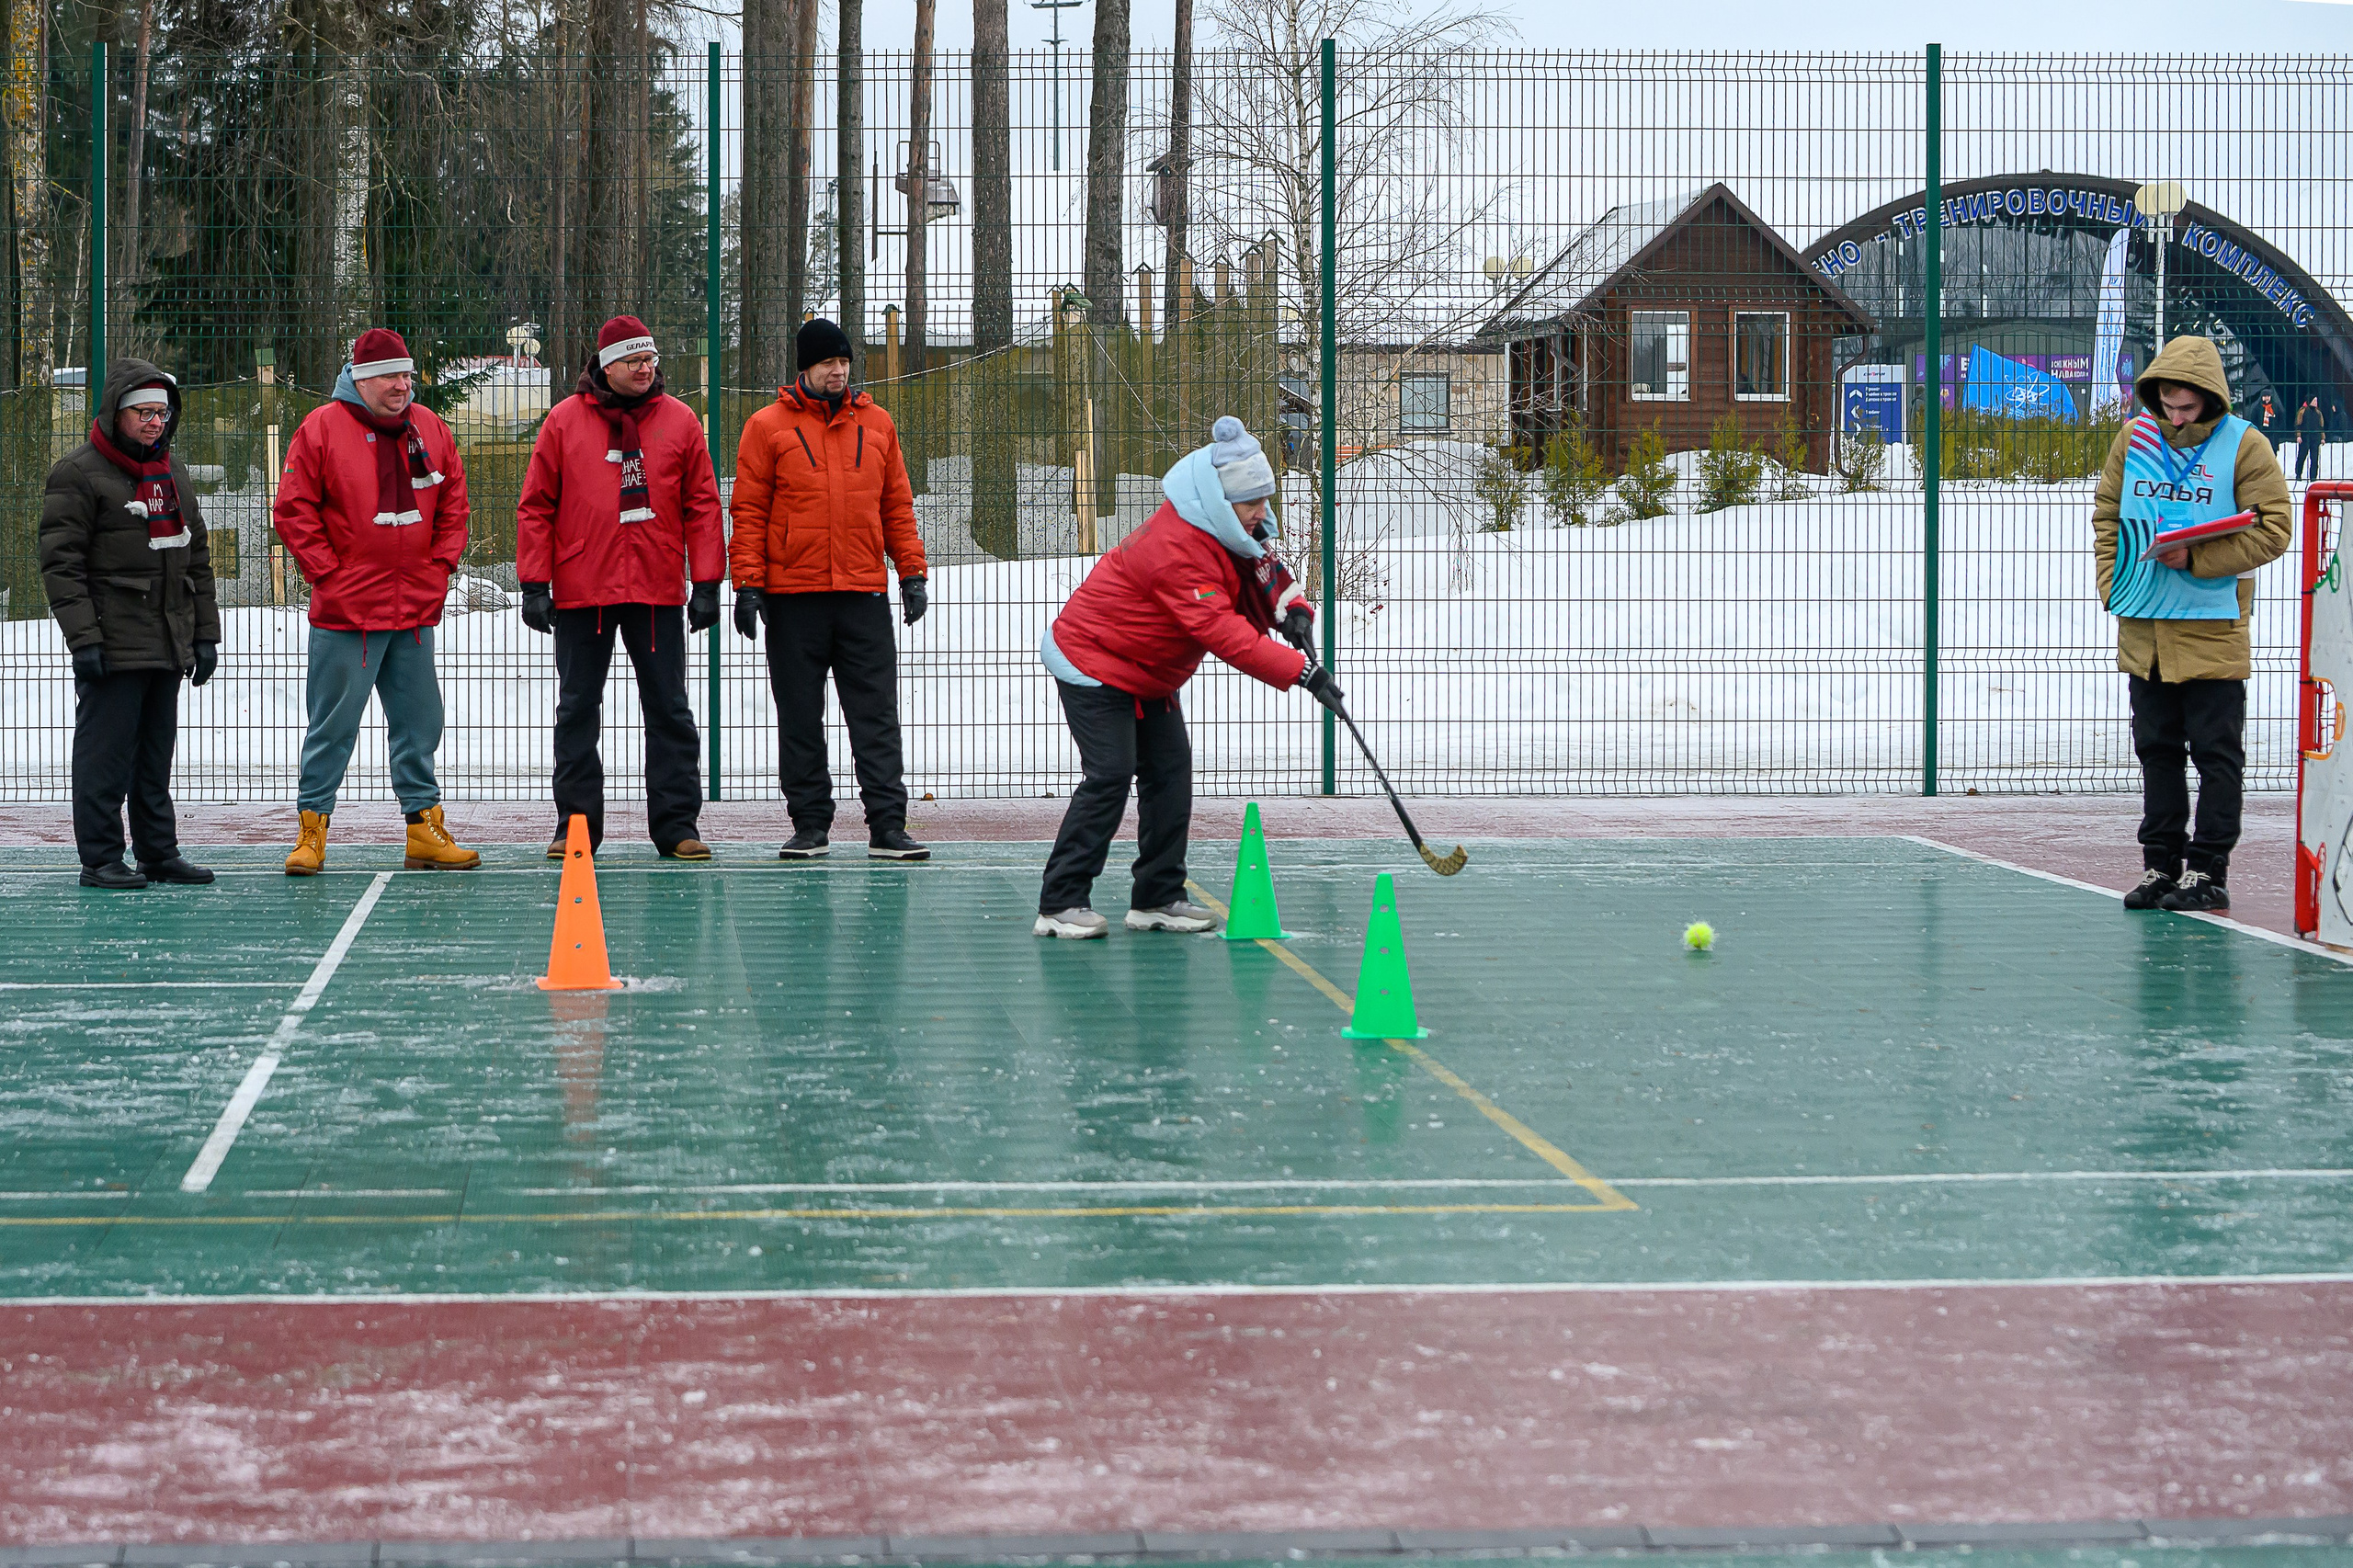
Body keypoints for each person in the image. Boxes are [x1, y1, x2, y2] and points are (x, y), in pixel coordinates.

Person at [1033, 415, 1337, 938]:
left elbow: (1266, 574)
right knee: (1110, 774)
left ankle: (1157, 897)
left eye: (1266, 500)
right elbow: (1222, 630)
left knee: (1170, 771)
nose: (1262, 514)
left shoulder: (1235, 530)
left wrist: (1295, 612)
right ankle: (1059, 903)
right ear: (1222, 502)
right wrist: (1301, 672)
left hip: (1148, 671)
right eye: (1251, 504)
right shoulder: (1178, 547)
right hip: (1093, 659)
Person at [2092, 335, 2291, 915]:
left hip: (2211, 630)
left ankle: (2208, 870)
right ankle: (2160, 864)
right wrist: (2114, 579)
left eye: (2188, 407)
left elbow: (2274, 529)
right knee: (2156, 749)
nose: (2176, 418)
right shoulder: (2135, 439)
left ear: (2211, 398)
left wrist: (2198, 558)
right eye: (2167, 405)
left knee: (2216, 753)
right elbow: (2108, 514)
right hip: (2145, 630)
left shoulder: (2245, 446)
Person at [272, 327, 480, 875]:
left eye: (407, 374)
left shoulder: (430, 427)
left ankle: (424, 828)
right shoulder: (321, 429)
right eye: (391, 375)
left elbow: (454, 500)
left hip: (414, 610)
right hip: (347, 614)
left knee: (420, 722)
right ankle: (311, 831)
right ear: (361, 380)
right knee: (332, 726)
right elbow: (294, 510)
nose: (402, 384)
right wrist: (329, 575)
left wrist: (440, 569)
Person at [517, 314, 723, 860]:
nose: (643, 369)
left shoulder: (680, 421)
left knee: (669, 708)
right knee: (578, 708)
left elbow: (702, 504)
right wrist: (534, 581)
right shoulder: (563, 422)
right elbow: (537, 505)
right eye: (633, 361)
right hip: (584, 591)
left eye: (649, 360)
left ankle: (678, 825)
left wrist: (706, 580)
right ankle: (577, 825)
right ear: (606, 366)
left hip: (656, 588)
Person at [729, 317, 931, 861]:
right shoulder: (766, 426)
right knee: (799, 715)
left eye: (844, 362)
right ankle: (810, 825)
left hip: (863, 593)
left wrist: (911, 571)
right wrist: (747, 585)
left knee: (876, 717)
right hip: (793, 597)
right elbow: (748, 512)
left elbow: (897, 504)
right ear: (805, 368)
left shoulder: (879, 424)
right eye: (827, 364)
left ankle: (888, 825)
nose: (839, 372)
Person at [40, 360, 219, 889]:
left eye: (163, 413)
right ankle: (99, 859)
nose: (155, 423)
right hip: (112, 640)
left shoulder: (172, 473)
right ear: (117, 413)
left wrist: (204, 634)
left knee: (154, 757)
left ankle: (158, 854)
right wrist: (84, 638)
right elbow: (60, 565)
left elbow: (197, 559)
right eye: (144, 412)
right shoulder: (77, 473)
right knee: (105, 757)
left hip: (167, 640)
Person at [2296, 395, 2325, 483]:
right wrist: (2298, 435)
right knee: (2302, 457)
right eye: (2314, 400)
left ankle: (2313, 477)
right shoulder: (2302, 411)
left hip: (2315, 438)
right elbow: (2298, 424)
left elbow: (2321, 426)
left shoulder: (2318, 413)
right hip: (2305, 438)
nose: (2316, 402)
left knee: (2315, 458)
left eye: (2316, 400)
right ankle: (2298, 474)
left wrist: (2322, 437)